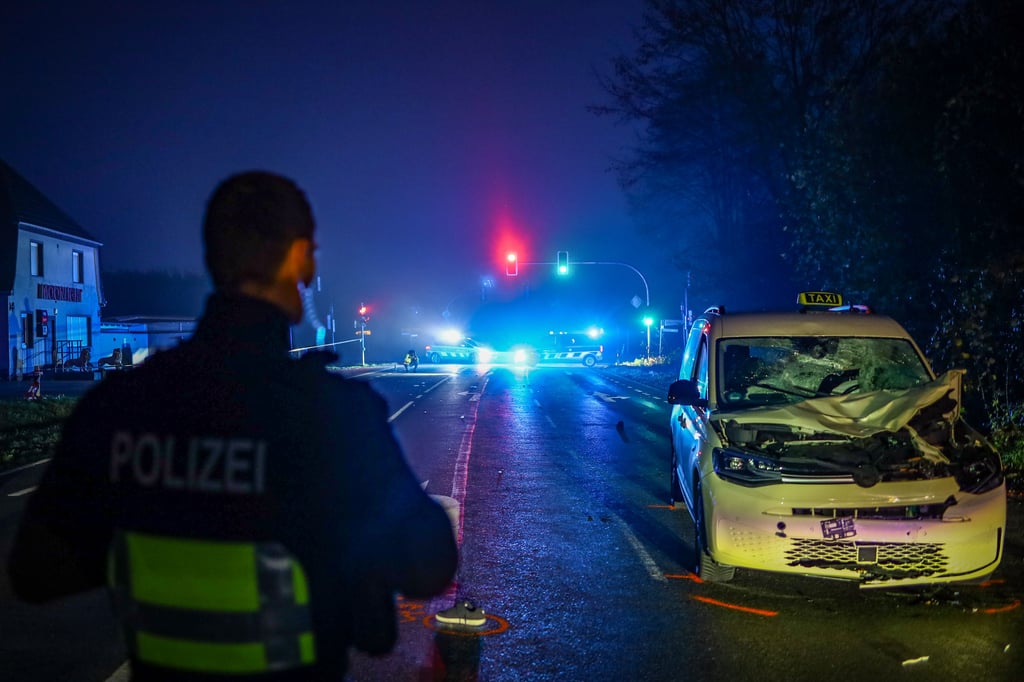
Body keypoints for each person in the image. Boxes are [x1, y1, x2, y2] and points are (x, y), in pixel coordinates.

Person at [7, 170, 458, 681]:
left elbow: (36, 572)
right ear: (296, 259)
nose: (311, 271)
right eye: (310, 254)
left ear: (213, 261)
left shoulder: (119, 406)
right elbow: (430, 563)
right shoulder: (334, 413)